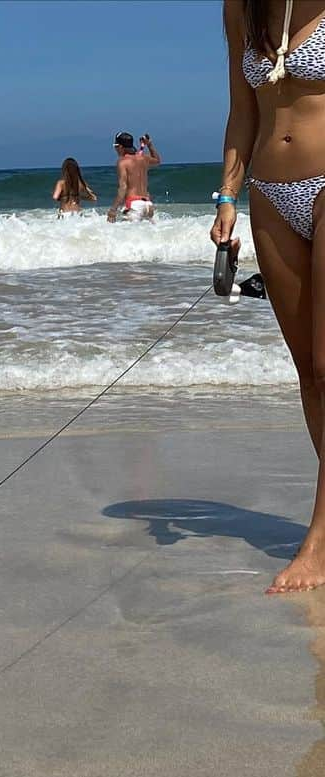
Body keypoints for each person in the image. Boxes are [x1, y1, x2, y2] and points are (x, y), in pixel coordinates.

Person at [214, 0, 325, 592]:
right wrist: (226, 196)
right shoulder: (243, 7)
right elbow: (242, 110)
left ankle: (320, 539)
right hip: (269, 193)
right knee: (309, 372)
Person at [107, 131, 160, 221]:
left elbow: (123, 188)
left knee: (126, 234)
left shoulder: (122, 162)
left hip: (134, 205)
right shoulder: (143, 158)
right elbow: (157, 160)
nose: (115, 149)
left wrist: (113, 209)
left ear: (120, 147)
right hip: (148, 204)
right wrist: (149, 145)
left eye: (115, 146)